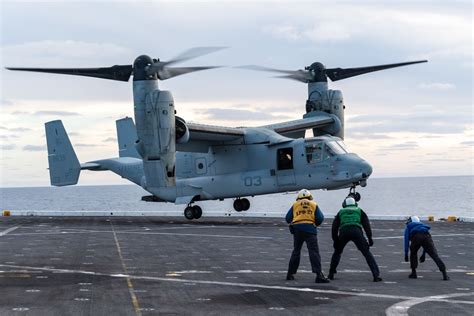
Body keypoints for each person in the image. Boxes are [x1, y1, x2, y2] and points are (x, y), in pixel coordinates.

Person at [328, 196, 382, 282]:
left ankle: (331, 273)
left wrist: (335, 241)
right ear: (355, 204)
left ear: (344, 204)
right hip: (356, 231)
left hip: (344, 231)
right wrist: (370, 238)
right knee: (367, 253)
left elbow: (334, 227)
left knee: (337, 252)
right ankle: (376, 275)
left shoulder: (341, 212)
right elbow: (366, 225)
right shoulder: (359, 211)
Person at [285, 189, 330, 283]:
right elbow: (320, 218)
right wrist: (314, 224)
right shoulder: (313, 204)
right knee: (314, 252)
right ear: (309, 196)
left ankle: (290, 274)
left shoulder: (295, 205)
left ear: (299, 197)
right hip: (310, 230)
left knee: (296, 251)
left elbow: (287, 218)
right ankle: (318, 275)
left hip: (297, 230)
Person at [404, 216, 449, 280]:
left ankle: (414, 273)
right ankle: (445, 274)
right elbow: (426, 244)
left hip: (416, 236)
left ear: (412, 221)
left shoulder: (408, 227)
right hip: (426, 235)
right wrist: (423, 255)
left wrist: (406, 254)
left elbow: (406, 241)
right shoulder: (423, 226)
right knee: (434, 255)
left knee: (413, 253)